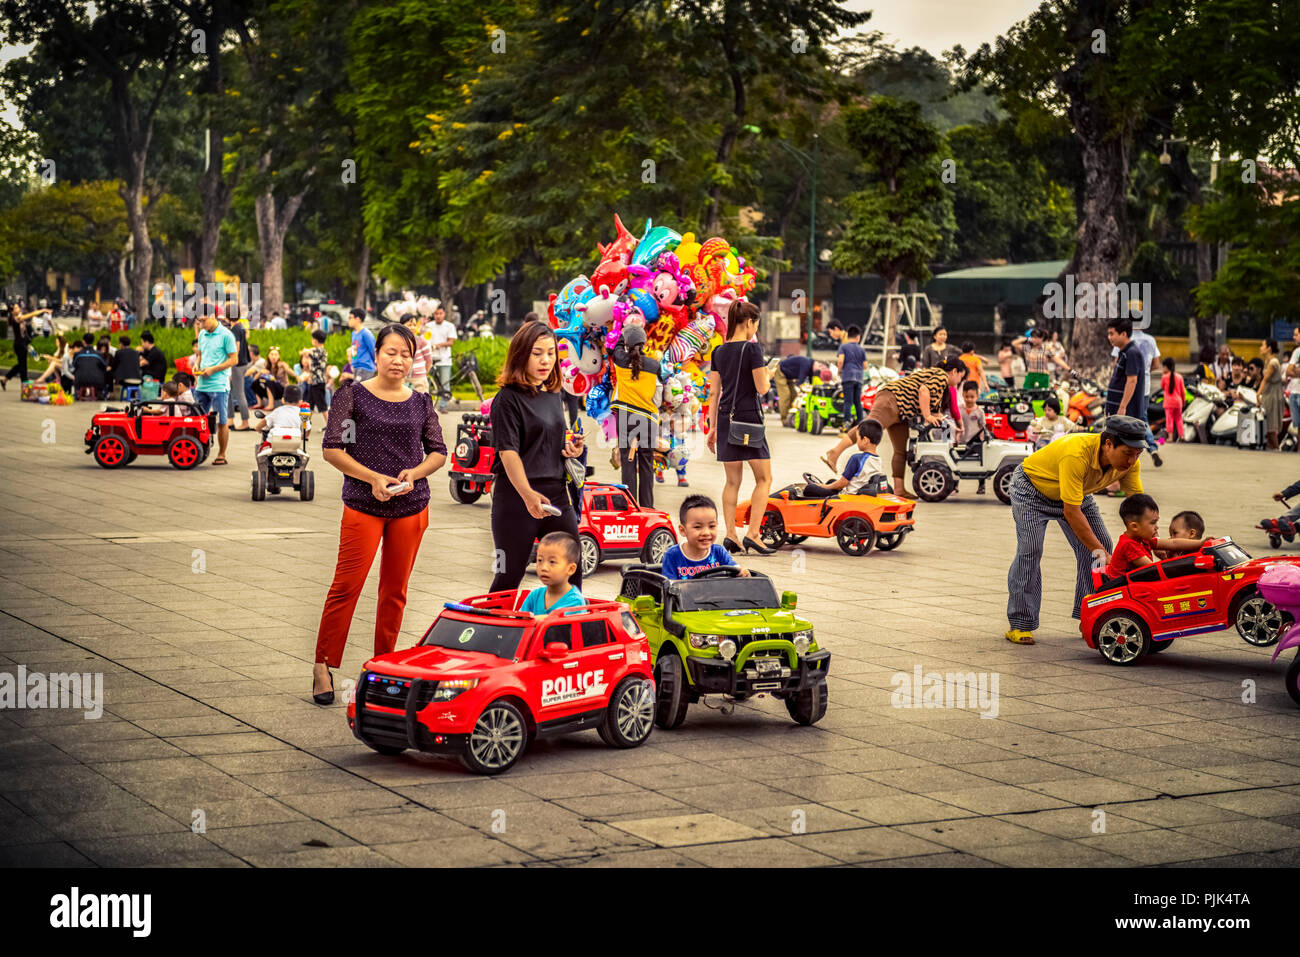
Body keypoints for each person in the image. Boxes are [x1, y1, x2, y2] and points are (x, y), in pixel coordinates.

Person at [313, 323, 447, 704]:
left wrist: (415, 473)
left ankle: (383, 666)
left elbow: (438, 451)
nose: (399, 360)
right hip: (362, 503)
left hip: (411, 505)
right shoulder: (351, 396)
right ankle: (323, 664)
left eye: (406, 354)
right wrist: (372, 478)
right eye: (391, 352)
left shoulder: (421, 401)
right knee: (347, 585)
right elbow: (332, 448)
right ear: (377, 355)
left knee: (395, 592)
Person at [1004, 416, 1146, 645]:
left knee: (1101, 545)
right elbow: (1072, 512)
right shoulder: (1077, 453)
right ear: (1108, 444)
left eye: (1137, 454)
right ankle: (1020, 624)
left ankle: (1091, 619)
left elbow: (1139, 509)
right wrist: (1101, 553)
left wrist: (1152, 543)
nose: (1132, 460)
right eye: (1128, 453)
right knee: (1030, 549)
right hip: (1032, 490)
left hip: (1075, 493)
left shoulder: (1130, 463)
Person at [488, 321, 586, 592]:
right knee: (509, 577)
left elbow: (552, 439)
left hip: (556, 494)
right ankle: (494, 632)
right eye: (537, 353)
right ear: (521, 355)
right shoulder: (506, 399)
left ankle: (563, 630)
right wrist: (528, 494)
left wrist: (572, 448)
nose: (546, 360)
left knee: (570, 572)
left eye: (551, 353)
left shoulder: (554, 394)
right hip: (517, 498)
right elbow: (508, 452)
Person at [706, 299, 774, 556]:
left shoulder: (718, 352)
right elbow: (762, 388)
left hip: (725, 419)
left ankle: (731, 536)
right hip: (748, 419)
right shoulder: (753, 350)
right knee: (764, 478)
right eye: (756, 324)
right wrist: (769, 374)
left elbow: (714, 393)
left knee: (732, 480)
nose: (755, 329)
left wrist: (712, 428)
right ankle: (754, 534)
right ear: (749, 322)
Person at [865, 357, 968, 499]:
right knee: (867, 432)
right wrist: (929, 416)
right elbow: (929, 394)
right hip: (895, 403)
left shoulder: (937, 381)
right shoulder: (941, 379)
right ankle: (836, 453)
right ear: (954, 371)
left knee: (899, 450)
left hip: (904, 413)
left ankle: (899, 489)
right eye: (960, 378)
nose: (958, 383)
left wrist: (946, 423)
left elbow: (938, 411)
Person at [610, 323, 660, 507]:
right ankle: (647, 506)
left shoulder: (620, 360)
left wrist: (623, 332)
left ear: (627, 344)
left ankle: (628, 506)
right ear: (645, 343)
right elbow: (658, 395)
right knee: (646, 463)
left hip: (626, 417)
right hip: (648, 419)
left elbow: (615, 346)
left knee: (628, 460)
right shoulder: (655, 365)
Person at [1104, 494, 1207, 579]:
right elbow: (1153, 569)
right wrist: (1180, 565)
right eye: (1153, 523)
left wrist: (1201, 543)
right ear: (1135, 526)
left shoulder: (1143, 538)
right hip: (1122, 589)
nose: (1157, 527)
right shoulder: (1129, 545)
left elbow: (1173, 543)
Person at [660, 495, 751, 579]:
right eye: (697, 527)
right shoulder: (673, 555)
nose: (706, 533)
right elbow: (669, 587)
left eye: (711, 526)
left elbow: (736, 569)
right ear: (683, 530)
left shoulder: (719, 552)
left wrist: (742, 572)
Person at [193, 312, 238, 466]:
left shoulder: (227, 335)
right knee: (199, 419)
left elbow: (234, 359)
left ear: (213, 316)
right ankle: (200, 451)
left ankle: (221, 454)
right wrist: (196, 365)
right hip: (201, 384)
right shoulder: (202, 334)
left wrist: (213, 369)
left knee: (222, 421)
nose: (201, 325)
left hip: (219, 385)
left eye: (203, 320)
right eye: (199, 321)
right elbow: (200, 354)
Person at [801, 420, 885, 498]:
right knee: (832, 481)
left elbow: (843, 483)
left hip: (847, 496)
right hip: (861, 492)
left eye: (858, 438)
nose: (857, 442)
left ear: (865, 440)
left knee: (810, 488)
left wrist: (825, 487)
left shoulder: (857, 459)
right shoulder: (878, 460)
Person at [519, 532, 586, 614]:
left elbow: (555, 621)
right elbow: (520, 619)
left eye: (552, 562)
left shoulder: (575, 601)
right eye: (540, 560)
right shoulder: (534, 596)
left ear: (571, 569)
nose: (544, 568)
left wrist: (530, 620)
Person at [1104, 318, 1144, 419]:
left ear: (1123, 334)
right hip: (1116, 410)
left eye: (1112, 334)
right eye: (1108, 334)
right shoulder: (1123, 352)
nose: (1109, 337)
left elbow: (1132, 381)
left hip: (1126, 413)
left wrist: (1122, 407)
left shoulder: (1132, 353)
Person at [257, 384, 309, 457]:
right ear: (300, 402)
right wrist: (303, 436)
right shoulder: (302, 413)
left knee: (261, 452)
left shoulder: (277, 411)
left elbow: (261, 424)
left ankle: (264, 467)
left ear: (283, 400)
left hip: (274, 443)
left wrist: (258, 429)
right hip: (294, 444)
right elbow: (307, 429)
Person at [773, 354, 826, 426]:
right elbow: (801, 381)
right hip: (780, 371)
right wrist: (801, 390)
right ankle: (784, 419)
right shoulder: (806, 364)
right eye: (818, 371)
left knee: (794, 395)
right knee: (785, 395)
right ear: (818, 365)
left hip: (789, 376)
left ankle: (791, 417)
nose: (817, 373)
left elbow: (811, 383)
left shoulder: (812, 368)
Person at [836, 325, 867, 428]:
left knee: (848, 401)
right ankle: (860, 422)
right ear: (858, 337)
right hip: (858, 378)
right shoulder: (861, 349)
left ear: (848, 336)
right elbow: (865, 366)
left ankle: (847, 423)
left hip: (847, 377)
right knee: (857, 401)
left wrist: (839, 371)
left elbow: (840, 360)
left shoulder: (843, 347)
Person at [226, 317, 253, 432]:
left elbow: (236, 347)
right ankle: (230, 420)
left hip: (236, 365)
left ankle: (245, 422)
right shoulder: (241, 327)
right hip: (242, 363)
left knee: (239, 393)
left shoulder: (235, 329)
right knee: (230, 392)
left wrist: (230, 364)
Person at [428, 305, 456, 411]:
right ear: (433, 315)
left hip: (445, 359)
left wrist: (439, 345)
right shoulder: (428, 325)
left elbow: (451, 342)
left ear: (444, 314)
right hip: (430, 359)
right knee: (428, 383)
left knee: (445, 383)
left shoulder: (449, 326)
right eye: (436, 314)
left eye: (440, 313)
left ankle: (443, 406)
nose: (438, 316)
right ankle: (428, 406)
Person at [1259, 339, 1284, 449]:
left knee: (1271, 428)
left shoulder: (1273, 362)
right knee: (1267, 427)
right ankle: (1271, 450)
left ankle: (1276, 450)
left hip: (1273, 395)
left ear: (1269, 348)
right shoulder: (1267, 360)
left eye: (1263, 345)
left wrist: (1257, 394)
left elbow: (1265, 379)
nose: (1261, 347)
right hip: (1268, 394)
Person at [403, 313, 434, 394]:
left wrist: (423, 374)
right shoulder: (398, 341)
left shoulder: (421, 341)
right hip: (402, 378)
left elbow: (429, 360)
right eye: (409, 325)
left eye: (414, 325)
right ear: (401, 326)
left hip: (419, 379)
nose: (412, 327)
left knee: (420, 404)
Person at [302, 329, 329, 417]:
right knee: (310, 405)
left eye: (313, 339)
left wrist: (306, 351)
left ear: (316, 340)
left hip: (318, 383)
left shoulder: (320, 351)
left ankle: (331, 427)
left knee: (322, 406)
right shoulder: (317, 351)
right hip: (315, 382)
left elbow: (311, 353)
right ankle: (306, 426)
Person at [348, 308, 377, 382]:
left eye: (350, 318)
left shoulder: (366, 333)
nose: (348, 320)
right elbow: (354, 350)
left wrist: (376, 364)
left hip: (365, 367)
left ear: (357, 319)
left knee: (356, 390)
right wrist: (352, 363)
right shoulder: (353, 333)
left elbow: (373, 349)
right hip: (356, 367)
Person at [1161, 357, 1186, 444]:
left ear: (1166, 367)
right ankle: (1182, 436)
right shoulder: (1179, 377)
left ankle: (1170, 438)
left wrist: (1164, 374)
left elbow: (1162, 387)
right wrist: (1183, 401)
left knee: (1169, 420)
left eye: (1163, 367)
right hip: (1178, 402)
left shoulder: (1164, 377)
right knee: (1179, 419)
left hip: (1168, 402)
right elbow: (1183, 391)